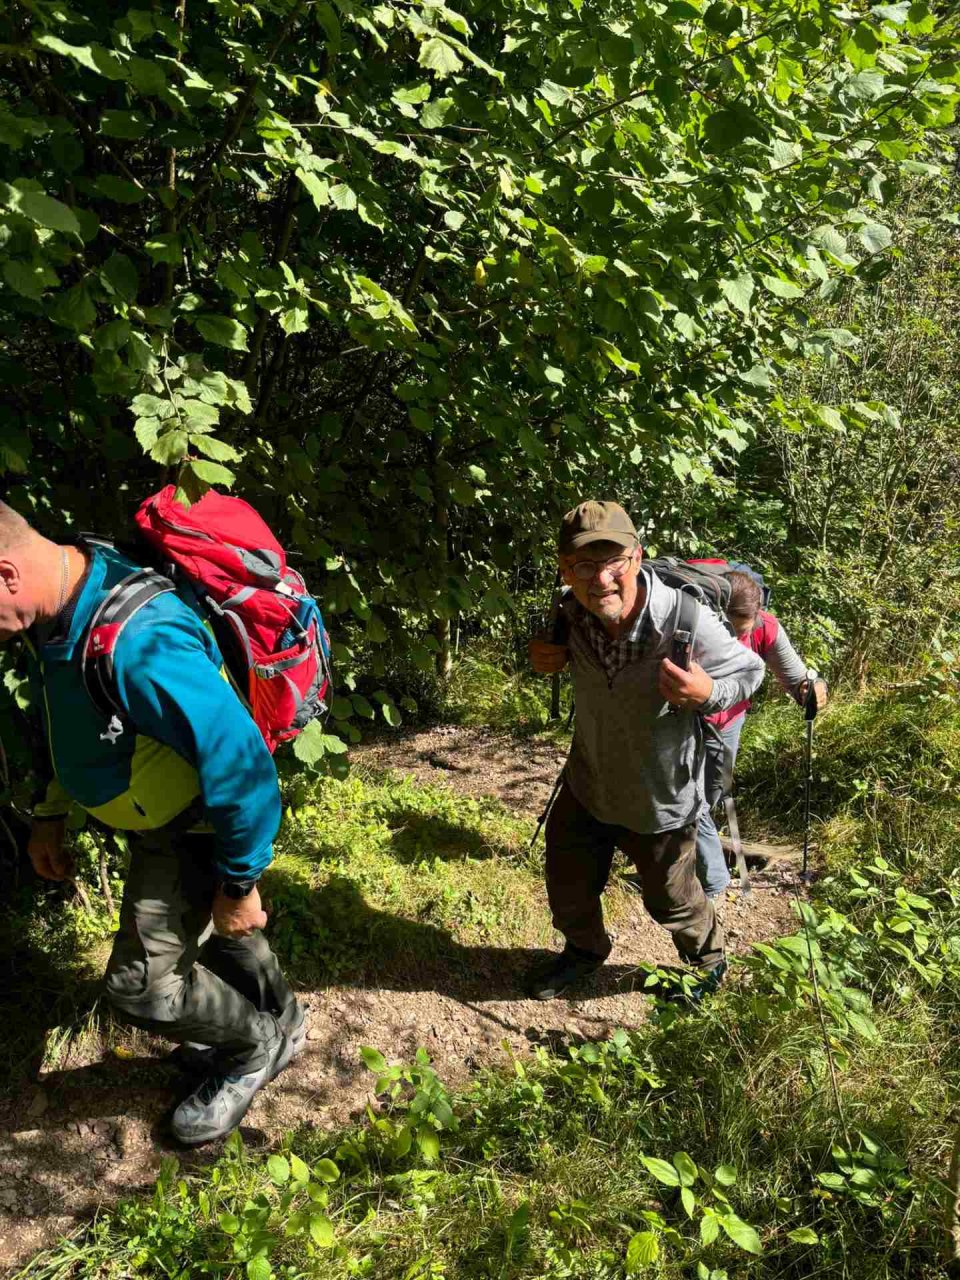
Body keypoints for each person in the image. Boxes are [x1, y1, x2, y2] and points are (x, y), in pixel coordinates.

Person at [0, 500, 304, 1145]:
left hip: (189, 829)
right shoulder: (64, 600)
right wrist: (52, 814)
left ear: (6, 575)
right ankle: (283, 1018)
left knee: (142, 990)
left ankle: (255, 1047)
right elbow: (70, 721)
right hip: (153, 823)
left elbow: (242, 763)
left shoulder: (140, 643)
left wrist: (240, 882)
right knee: (217, 940)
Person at [527, 501, 767, 1001]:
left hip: (660, 798)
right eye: (583, 567)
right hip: (587, 783)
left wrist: (707, 695)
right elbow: (552, 656)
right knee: (568, 888)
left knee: (672, 901)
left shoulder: (683, 618)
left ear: (636, 558)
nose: (600, 580)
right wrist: (545, 656)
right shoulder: (569, 611)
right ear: (565, 570)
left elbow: (749, 671)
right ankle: (584, 952)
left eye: (612, 561)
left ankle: (707, 965)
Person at [696, 570, 828, 900]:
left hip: (729, 724)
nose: (734, 637)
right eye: (727, 628)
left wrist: (814, 690)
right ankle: (712, 882)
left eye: (742, 630)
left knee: (708, 797)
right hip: (682, 723)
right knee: (689, 803)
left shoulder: (766, 627)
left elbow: (798, 679)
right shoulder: (693, 619)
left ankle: (689, 859)